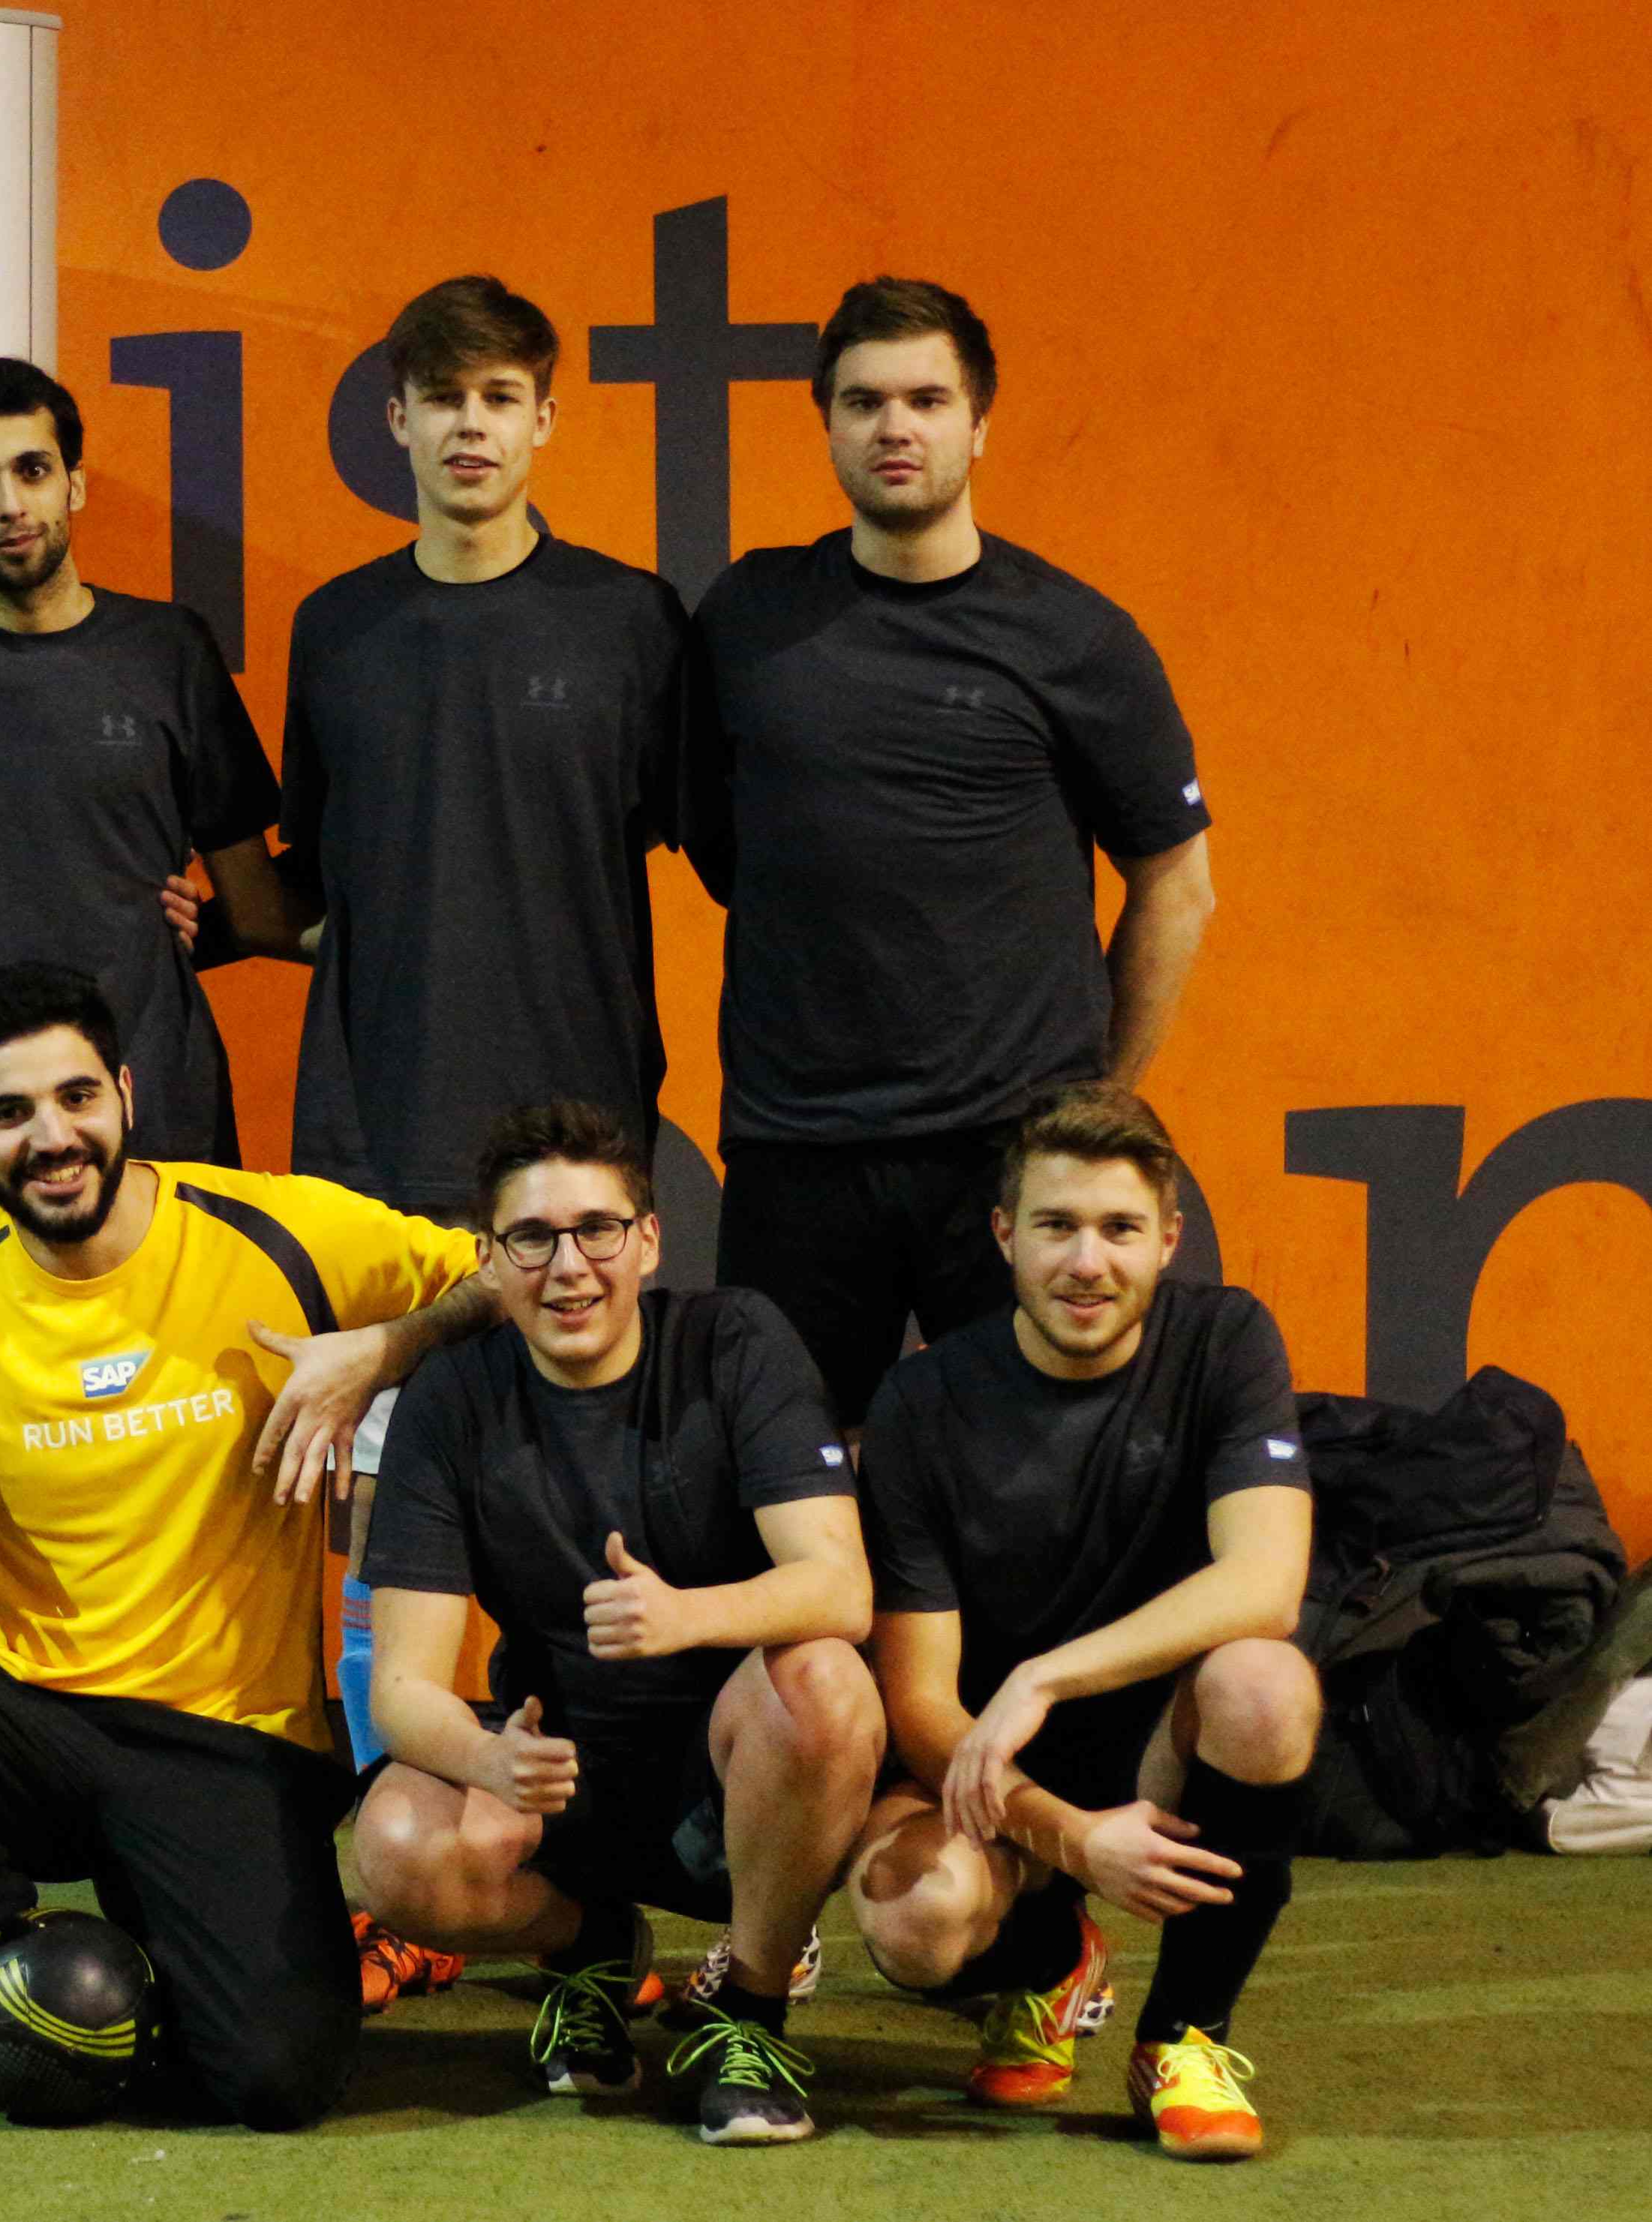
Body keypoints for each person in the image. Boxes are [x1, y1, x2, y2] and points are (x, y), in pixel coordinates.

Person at [0, 962, 491, 2130]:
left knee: (276, 2081)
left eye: (76, 1097)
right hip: (20, 1718)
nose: (53, 1137)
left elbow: (501, 1273)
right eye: (10, 1112)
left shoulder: (277, 1231)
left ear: (125, 1093)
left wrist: (383, 1349)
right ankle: (9, 1990)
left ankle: (120, 2005)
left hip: (226, 1741)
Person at [269, 274, 694, 1820]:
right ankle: (393, 1844)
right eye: (441, 398)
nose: (469, 426)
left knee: (586, 1493)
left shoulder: (630, 622)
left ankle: (595, 1835)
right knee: (387, 1509)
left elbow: (724, 841)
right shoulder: (336, 628)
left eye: (499, 398)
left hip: (576, 1139)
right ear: (393, 419)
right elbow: (309, 880)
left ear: (544, 420)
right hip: (377, 1130)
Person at [686, 278, 1218, 1428]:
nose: (896, 427)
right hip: (796, 1153)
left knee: (1023, 1486)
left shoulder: (1075, 636)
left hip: (1004, 1154)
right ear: (827, 422)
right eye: (865, 401)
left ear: (980, 424)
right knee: (786, 1482)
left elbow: (1179, 883)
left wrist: (1089, 1115)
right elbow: (733, 851)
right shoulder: (747, 619)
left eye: (928, 400)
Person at [350, 1099, 880, 2144]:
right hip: (562, 1777)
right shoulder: (449, 1398)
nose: (569, 1266)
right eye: (532, 1237)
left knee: (824, 1680)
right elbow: (402, 1689)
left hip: (738, 1782)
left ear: (649, 1239)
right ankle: (589, 1946)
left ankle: (751, 2012)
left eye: (597, 1229)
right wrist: (488, 1758)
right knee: (397, 1846)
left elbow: (840, 1588)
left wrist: (683, 1615)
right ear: (490, 1259)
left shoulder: (735, 1342)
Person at [846, 1082, 1317, 2161]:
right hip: (981, 1765)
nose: (1087, 1262)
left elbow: (1266, 1582)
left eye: (1119, 1229)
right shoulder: (921, 1402)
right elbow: (919, 1702)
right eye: (1056, 1225)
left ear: (1168, 1240)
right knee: (912, 1920)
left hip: (1150, 1750)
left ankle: (1183, 2037)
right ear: (1004, 1234)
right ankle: (1054, 1962)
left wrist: (1046, 1675)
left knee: (1264, 1683)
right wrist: (1072, 1837)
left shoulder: (1226, 1340)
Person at [0, 356, 283, 1242]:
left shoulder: (168, 649)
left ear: (73, 482)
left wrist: (154, 918)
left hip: (162, 1120)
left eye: (32, 469)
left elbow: (252, 900)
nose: (10, 504)